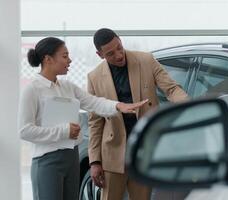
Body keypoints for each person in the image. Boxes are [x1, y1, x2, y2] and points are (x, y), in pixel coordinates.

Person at [18, 37, 148, 200]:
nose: (70, 60)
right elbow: (24, 130)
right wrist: (64, 131)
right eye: (65, 56)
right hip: (47, 161)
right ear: (48, 59)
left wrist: (118, 106)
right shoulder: (32, 90)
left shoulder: (67, 87)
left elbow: (94, 102)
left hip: (71, 157)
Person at [88, 28, 188, 200]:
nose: (119, 55)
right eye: (110, 53)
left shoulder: (146, 60)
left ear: (120, 39)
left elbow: (171, 89)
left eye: (119, 47)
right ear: (100, 54)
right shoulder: (94, 77)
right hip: (113, 152)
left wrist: (189, 107)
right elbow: (95, 122)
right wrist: (95, 161)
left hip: (143, 149)